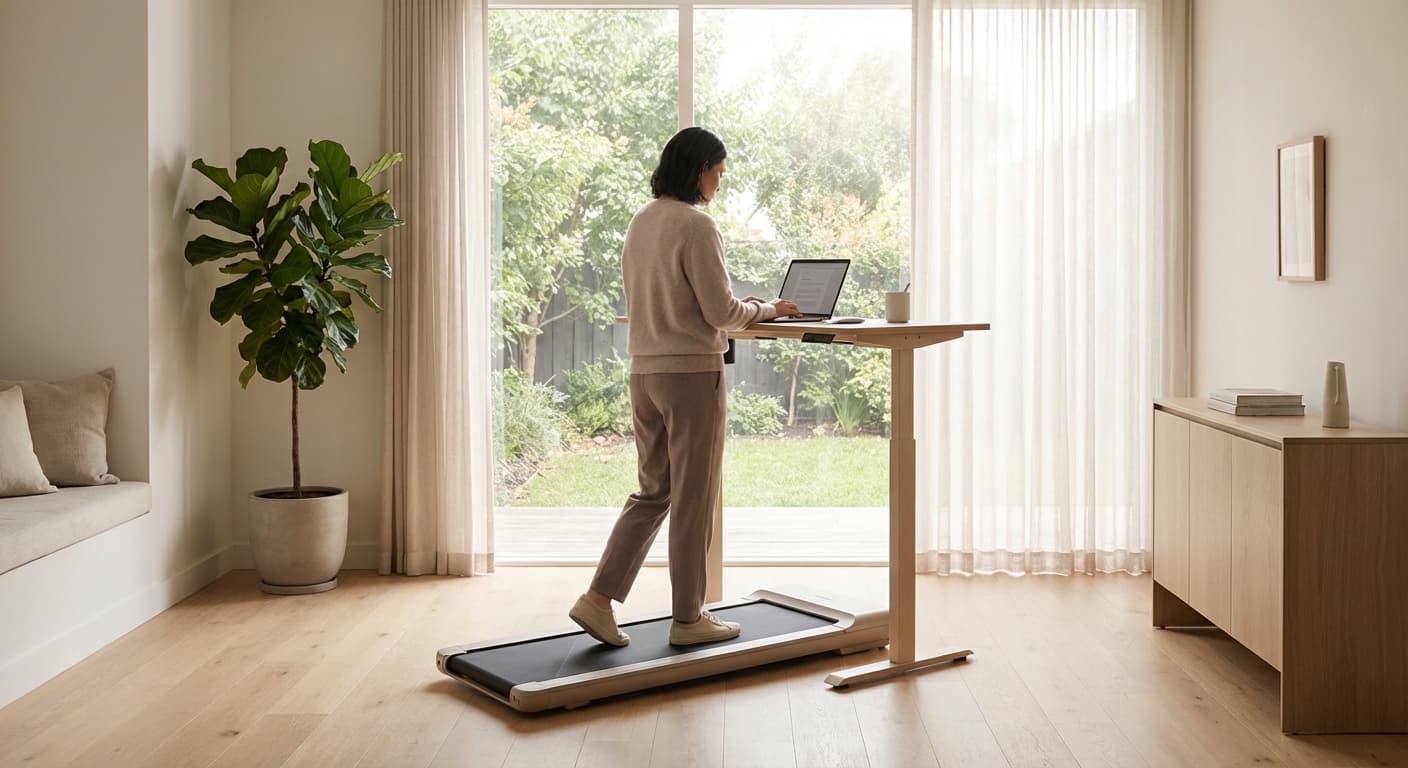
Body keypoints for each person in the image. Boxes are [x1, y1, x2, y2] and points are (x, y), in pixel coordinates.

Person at [568, 127, 801, 647]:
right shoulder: (697, 226)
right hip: (691, 375)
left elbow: (674, 298)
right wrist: (767, 309)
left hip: (643, 372)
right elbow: (721, 312)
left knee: (654, 492)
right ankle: (689, 621)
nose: (719, 182)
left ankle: (597, 600)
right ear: (699, 169)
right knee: (694, 497)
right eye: (717, 172)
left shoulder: (641, 222)